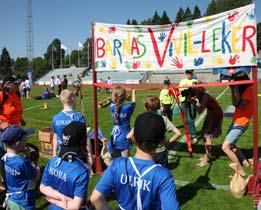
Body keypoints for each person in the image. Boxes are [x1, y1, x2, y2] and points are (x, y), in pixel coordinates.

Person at [90, 112, 180, 210]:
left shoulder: (118, 164)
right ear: (162, 141)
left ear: (133, 137)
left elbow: (95, 198)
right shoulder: (163, 176)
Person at [40, 121, 90, 210]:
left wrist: (57, 198)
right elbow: (75, 207)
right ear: (83, 141)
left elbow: (43, 187)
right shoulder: (81, 171)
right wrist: (61, 199)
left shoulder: (53, 161)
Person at [128, 95, 181, 167]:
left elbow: (129, 136)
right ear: (159, 106)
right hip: (161, 152)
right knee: (161, 173)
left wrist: (139, 145)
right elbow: (178, 133)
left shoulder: (141, 119)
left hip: (146, 152)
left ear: (145, 107)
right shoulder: (163, 119)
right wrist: (167, 142)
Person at [222, 71, 253, 177]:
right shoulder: (244, 89)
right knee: (232, 144)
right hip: (237, 120)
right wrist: (232, 89)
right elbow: (235, 103)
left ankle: (240, 171)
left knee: (225, 147)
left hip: (241, 122)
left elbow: (241, 106)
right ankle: (244, 162)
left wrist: (235, 89)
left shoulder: (249, 89)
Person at [1, 125, 40, 209]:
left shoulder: (5, 158)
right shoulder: (21, 162)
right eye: (25, 138)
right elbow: (36, 177)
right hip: (24, 201)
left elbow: (19, 171)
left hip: (12, 199)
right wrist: (36, 162)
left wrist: (27, 156)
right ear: (18, 143)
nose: (26, 140)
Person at [51, 90, 93, 166]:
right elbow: (86, 139)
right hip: (77, 156)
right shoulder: (79, 117)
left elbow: (55, 137)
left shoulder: (56, 118)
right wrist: (89, 156)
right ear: (73, 99)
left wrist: (54, 155)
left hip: (61, 154)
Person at [192, 87, 223, 167]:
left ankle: (207, 158)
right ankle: (208, 155)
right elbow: (201, 106)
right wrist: (196, 101)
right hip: (211, 114)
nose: (195, 95)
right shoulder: (204, 96)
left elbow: (200, 110)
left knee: (207, 135)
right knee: (204, 135)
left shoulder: (206, 96)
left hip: (215, 115)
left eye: (195, 93)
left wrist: (192, 102)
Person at [108, 86, 135, 158]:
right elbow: (133, 102)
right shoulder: (127, 107)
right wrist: (133, 92)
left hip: (114, 136)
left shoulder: (111, 106)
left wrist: (124, 97)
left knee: (116, 160)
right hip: (124, 138)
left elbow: (117, 101)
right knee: (125, 161)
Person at [179, 70, 198, 143]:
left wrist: (194, 96)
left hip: (191, 102)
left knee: (190, 119)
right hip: (183, 101)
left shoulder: (194, 80)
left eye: (190, 73)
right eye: (187, 73)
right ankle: (190, 134)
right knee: (186, 119)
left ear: (192, 73)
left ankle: (194, 136)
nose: (188, 75)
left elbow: (196, 90)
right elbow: (181, 91)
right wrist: (187, 89)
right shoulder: (182, 81)